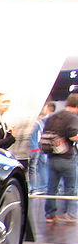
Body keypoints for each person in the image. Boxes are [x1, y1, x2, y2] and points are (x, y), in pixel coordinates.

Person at [42, 93, 78, 224]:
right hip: (66, 157)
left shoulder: (52, 117)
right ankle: (70, 214)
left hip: (51, 157)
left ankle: (50, 215)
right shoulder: (72, 118)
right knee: (70, 188)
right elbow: (73, 136)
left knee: (51, 187)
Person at [27, 101, 56, 193]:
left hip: (31, 149)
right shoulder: (40, 123)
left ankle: (34, 187)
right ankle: (35, 188)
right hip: (39, 148)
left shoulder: (36, 123)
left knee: (32, 169)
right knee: (34, 169)